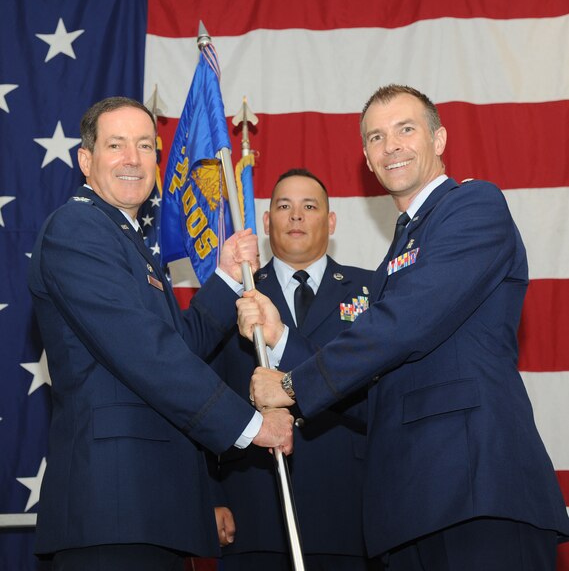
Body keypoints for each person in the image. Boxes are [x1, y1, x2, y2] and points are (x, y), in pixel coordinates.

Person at [246, 85, 569, 570]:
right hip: (408, 511)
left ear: (439, 140)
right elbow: (373, 393)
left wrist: (292, 385)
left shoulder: (474, 206)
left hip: (476, 492)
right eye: (376, 137)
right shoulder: (394, 259)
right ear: (367, 159)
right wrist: (282, 341)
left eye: (405, 129)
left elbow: (406, 324)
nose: (390, 145)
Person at [27, 96, 293, 571]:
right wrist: (251, 426)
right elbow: (147, 354)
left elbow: (177, 345)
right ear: (86, 160)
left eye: (146, 146)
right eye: (116, 145)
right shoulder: (77, 229)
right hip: (111, 508)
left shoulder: (124, 239)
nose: (133, 158)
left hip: (148, 506)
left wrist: (227, 277)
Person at [208, 168, 373, 570]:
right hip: (253, 510)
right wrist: (209, 496)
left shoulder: (373, 292)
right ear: (266, 222)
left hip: (352, 512)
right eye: (283, 206)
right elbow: (201, 399)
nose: (296, 216)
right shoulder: (231, 295)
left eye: (309, 206)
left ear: (330, 221)